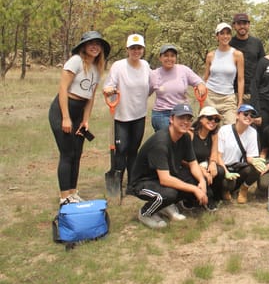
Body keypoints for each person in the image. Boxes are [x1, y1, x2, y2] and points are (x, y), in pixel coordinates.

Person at [49, 31, 110, 205]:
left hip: (79, 114)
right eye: (91, 43)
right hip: (62, 111)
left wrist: (85, 120)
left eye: (98, 44)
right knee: (67, 153)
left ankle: (73, 193)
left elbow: (90, 97)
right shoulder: (75, 61)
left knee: (77, 154)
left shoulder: (97, 68)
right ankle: (64, 197)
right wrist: (66, 118)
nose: (95, 46)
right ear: (83, 46)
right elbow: (63, 89)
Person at [127, 103, 209, 229]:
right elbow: (165, 179)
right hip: (143, 182)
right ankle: (145, 213)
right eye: (181, 118)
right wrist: (194, 189)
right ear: (171, 119)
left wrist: (202, 181)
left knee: (194, 179)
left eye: (188, 119)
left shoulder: (185, 137)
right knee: (168, 194)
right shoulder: (161, 143)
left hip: (164, 175)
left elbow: (193, 164)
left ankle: (166, 206)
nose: (185, 122)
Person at [103, 34, 151, 189]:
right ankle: (117, 182)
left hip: (139, 115)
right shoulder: (119, 66)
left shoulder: (145, 66)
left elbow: (153, 84)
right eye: (132, 48)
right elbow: (108, 85)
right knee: (121, 149)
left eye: (139, 48)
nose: (136, 51)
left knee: (133, 150)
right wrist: (109, 90)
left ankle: (132, 183)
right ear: (127, 49)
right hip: (121, 116)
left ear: (143, 49)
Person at [150, 44, 207, 132]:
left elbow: (199, 82)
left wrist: (200, 86)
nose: (169, 58)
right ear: (160, 58)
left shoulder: (183, 70)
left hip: (182, 112)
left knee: (183, 139)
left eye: (172, 56)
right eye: (166, 56)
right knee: (169, 138)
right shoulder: (154, 74)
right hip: (162, 113)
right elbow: (145, 93)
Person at [215, 104, 263, 204]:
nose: (249, 117)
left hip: (238, 168)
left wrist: (254, 160)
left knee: (257, 168)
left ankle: (244, 189)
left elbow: (250, 157)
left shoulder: (253, 132)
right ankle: (226, 189)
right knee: (228, 183)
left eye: (252, 115)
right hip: (224, 167)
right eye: (246, 114)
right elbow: (218, 156)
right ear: (237, 115)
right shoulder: (224, 130)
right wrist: (226, 172)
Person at [204, 22, 244, 125]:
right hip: (210, 96)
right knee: (209, 129)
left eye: (228, 33)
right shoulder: (210, 55)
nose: (225, 36)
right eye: (222, 33)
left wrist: (240, 101)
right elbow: (206, 77)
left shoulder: (237, 55)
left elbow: (240, 79)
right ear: (217, 36)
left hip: (228, 98)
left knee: (231, 128)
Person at [190, 106, 225, 211]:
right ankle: (199, 198)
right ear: (201, 119)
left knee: (219, 171)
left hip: (204, 164)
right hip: (190, 165)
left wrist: (213, 163)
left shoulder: (213, 135)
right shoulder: (190, 134)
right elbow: (185, 159)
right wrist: (202, 170)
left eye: (216, 120)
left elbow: (214, 153)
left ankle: (213, 195)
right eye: (210, 118)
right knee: (203, 175)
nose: (213, 122)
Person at [229, 13, 265, 103]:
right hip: (233, 92)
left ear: (248, 25)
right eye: (239, 23)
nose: (242, 26)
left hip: (254, 92)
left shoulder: (257, 43)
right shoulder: (229, 44)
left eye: (244, 23)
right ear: (234, 25)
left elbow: (263, 66)